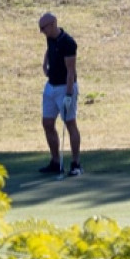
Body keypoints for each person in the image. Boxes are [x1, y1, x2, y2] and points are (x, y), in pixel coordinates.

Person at [38, 11, 81, 176]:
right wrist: (45, 63)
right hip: (51, 86)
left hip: (65, 87)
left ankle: (76, 163)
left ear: (53, 24)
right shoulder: (50, 37)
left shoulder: (68, 43)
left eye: (43, 28)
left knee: (70, 124)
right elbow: (49, 50)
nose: (42, 31)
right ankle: (55, 161)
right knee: (47, 123)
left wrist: (69, 95)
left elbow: (71, 71)